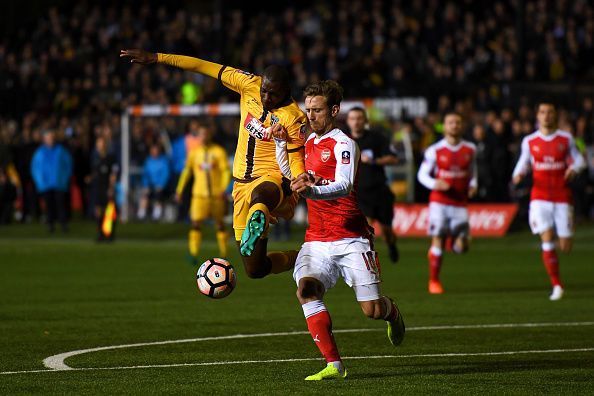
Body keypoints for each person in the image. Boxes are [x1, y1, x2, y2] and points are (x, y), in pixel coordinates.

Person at [120, 49, 308, 279]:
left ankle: (258, 213)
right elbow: (203, 66)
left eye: (274, 95)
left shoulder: (295, 117)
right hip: (240, 184)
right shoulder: (247, 82)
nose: (266, 98)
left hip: (275, 180)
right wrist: (158, 58)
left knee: (261, 195)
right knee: (255, 269)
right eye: (264, 92)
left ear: (286, 92)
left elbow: (296, 157)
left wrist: (301, 177)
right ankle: (302, 257)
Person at [278, 80, 405, 381]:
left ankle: (393, 312)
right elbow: (290, 174)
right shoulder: (308, 142)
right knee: (306, 290)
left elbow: (344, 185)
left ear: (333, 110)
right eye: (307, 109)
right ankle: (334, 364)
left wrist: (310, 192)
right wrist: (281, 143)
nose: (310, 116)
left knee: (372, 310)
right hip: (317, 239)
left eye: (317, 110)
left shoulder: (345, 144)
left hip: (351, 238)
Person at [512, 102, 585, 301]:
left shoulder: (566, 138)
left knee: (566, 246)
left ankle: (558, 244)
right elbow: (523, 162)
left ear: (555, 115)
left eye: (550, 112)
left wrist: (574, 169)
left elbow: (579, 160)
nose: (546, 116)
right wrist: (518, 173)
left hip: (562, 197)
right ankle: (557, 285)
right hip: (539, 197)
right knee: (546, 237)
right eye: (543, 112)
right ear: (537, 115)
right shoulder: (529, 141)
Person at [417, 113, 477, 294]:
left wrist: (473, 185)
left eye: (458, 122)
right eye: (451, 122)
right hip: (439, 202)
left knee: (463, 246)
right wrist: (436, 184)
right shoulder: (434, 150)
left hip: (460, 203)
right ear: (445, 126)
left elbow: (473, 173)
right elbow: (422, 175)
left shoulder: (470, 149)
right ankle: (434, 281)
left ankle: (453, 242)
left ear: (462, 126)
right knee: (438, 239)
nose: (454, 126)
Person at [347, 106, 400, 263]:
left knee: (387, 231)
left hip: (379, 191)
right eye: (352, 119)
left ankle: (391, 245)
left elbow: (393, 158)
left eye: (359, 118)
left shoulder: (377, 138)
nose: (356, 122)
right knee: (366, 230)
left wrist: (374, 161)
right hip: (360, 194)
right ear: (348, 121)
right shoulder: (345, 141)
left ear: (365, 121)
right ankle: (368, 262)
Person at [175, 121, 231, 262]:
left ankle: (224, 253)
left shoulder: (218, 152)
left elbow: (226, 171)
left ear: (210, 135)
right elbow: (187, 171)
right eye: (201, 134)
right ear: (198, 136)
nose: (204, 136)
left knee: (219, 224)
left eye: (206, 134)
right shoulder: (194, 153)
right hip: (199, 196)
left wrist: (224, 189)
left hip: (216, 195)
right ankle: (193, 254)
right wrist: (179, 189)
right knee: (195, 223)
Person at [30, 130, 73, 233]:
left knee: (61, 205)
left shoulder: (61, 151)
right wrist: (40, 182)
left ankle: (63, 224)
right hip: (46, 184)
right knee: (49, 206)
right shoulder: (39, 153)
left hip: (59, 183)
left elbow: (68, 165)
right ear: (44, 139)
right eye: (48, 138)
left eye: (51, 138)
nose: (50, 140)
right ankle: (50, 224)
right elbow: (35, 168)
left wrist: (65, 178)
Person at [88, 136, 119, 241]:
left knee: (109, 211)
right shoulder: (95, 158)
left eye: (102, 143)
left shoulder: (111, 158)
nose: (100, 146)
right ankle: (101, 234)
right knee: (98, 211)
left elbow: (113, 174)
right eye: (98, 143)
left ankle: (109, 234)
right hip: (97, 187)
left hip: (107, 187)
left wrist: (111, 187)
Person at [137, 143, 171, 221]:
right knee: (145, 194)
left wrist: (161, 185)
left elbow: (166, 174)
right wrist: (146, 185)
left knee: (158, 194)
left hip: (161, 186)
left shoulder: (164, 161)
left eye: (156, 150)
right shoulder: (148, 161)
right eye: (153, 150)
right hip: (150, 186)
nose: (155, 152)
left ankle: (156, 215)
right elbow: (145, 175)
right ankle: (141, 214)